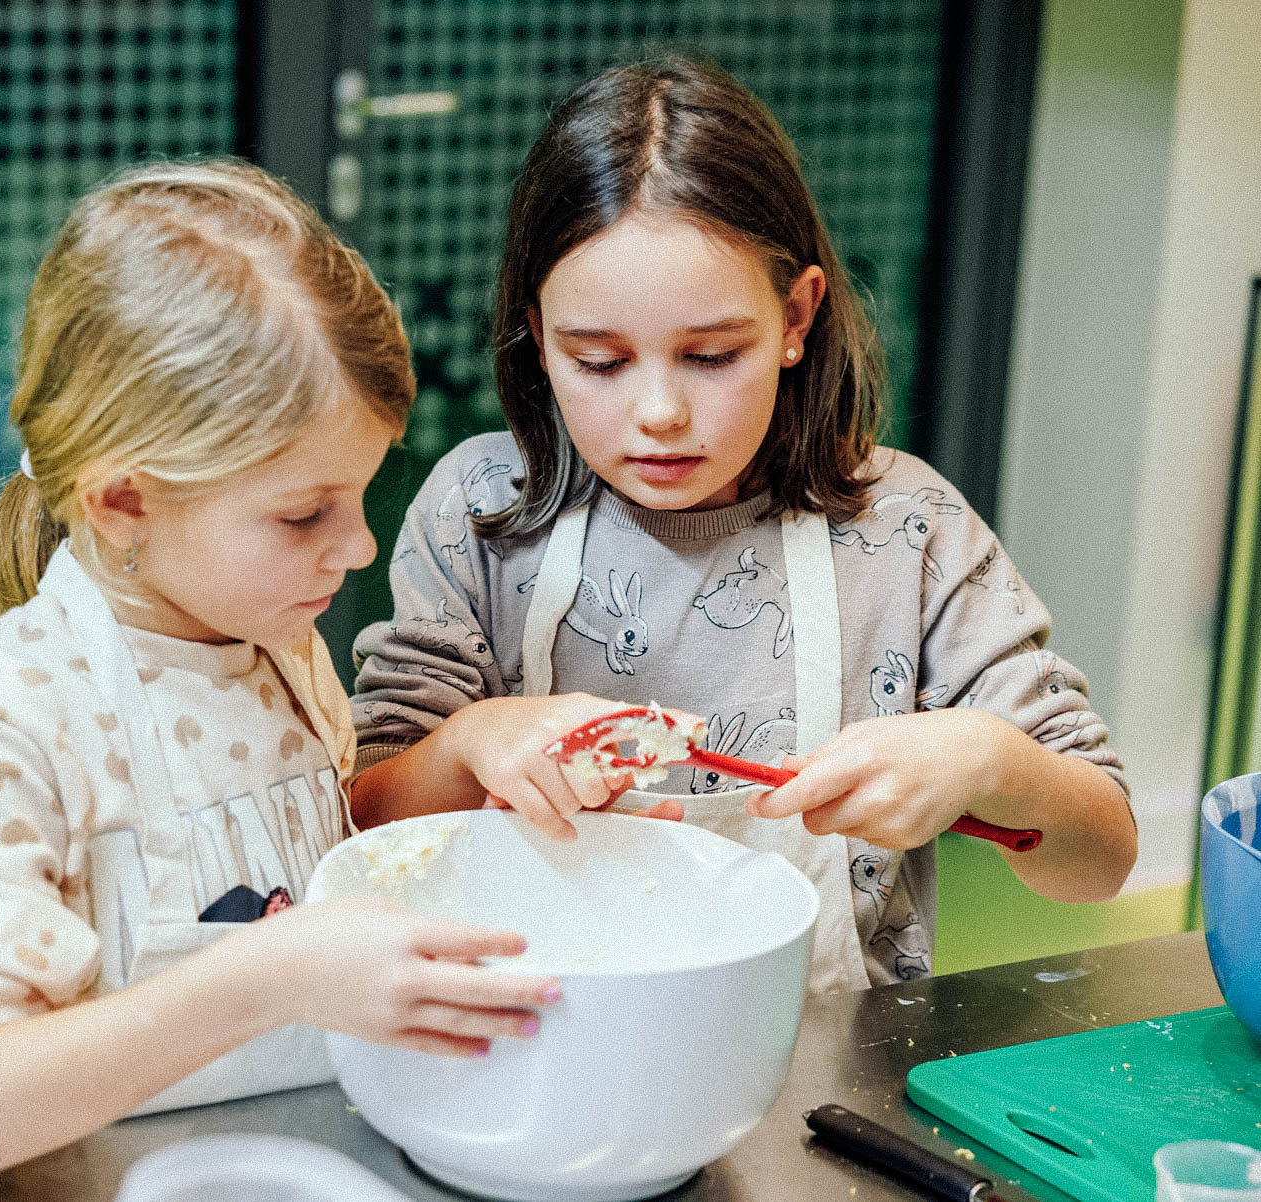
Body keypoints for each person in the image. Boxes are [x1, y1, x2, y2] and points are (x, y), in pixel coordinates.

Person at [350, 57, 1137, 995]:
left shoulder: (909, 531)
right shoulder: (477, 511)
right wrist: (475, 739)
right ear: (538, 331)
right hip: (536, 1039)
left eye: (712, 355)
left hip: (827, 1068)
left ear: (797, 315)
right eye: (597, 360)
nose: (659, 413)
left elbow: (1103, 860)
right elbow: (367, 819)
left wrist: (991, 761)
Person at [0, 160, 558, 1183]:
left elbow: (308, 860)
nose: (358, 546)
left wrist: (465, 752)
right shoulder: (9, 721)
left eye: (361, 494)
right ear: (124, 502)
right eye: (302, 512)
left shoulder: (277, 648)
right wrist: (268, 975)